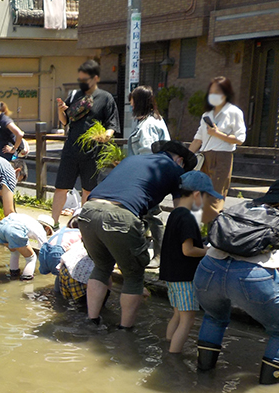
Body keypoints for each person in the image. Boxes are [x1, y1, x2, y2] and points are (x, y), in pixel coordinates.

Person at [77, 140, 197, 329]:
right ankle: (125, 331)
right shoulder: (175, 170)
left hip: (87, 211)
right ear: (180, 160)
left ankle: (92, 321)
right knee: (133, 276)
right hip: (121, 215)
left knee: (101, 267)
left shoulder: (132, 159)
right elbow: (181, 211)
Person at [194, 179, 279, 384]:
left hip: (208, 270)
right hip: (253, 279)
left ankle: (202, 377)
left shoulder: (241, 210)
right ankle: (266, 392)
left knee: (214, 318)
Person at [53, 60, 121, 227]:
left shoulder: (106, 98)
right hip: (71, 148)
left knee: (88, 190)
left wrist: (106, 135)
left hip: (93, 151)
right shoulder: (75, 95)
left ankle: (83, 225)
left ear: (95, 78)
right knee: (61, 187)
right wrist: (61, 111)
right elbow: (65, 121)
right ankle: (53, 223)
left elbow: (112, 124)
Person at [160, 171, 221, 354]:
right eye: (206, 197)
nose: (206, 202)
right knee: (188, 320)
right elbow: (188, 250)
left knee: (177, 316)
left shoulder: (175, 213)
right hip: (185, 277)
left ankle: (168, 346)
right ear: (196, 195)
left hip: (171, 275)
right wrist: (208, 251)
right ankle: (173, 356)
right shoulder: (187, 217)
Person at [188, 76, 247, 224]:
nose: (213, 95)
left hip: (222, 157)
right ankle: (201, 233)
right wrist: (185, 157)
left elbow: (240, 139)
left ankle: (212, 234)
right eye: (211, 91)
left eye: (217, 91)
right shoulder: (206, 115)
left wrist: (218, 134)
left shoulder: (234, 112)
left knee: (214, 198)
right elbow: (198, 139)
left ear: (226, 93)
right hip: (204, 158)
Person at [128, 85, 172, 267]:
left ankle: (159, 255)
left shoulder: (148, 125)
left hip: (147, 175)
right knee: (143, 214)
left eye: (132, 101)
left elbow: (147, 154)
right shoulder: (152, 120)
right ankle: (143, 253)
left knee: (152, 214)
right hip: (152, 174)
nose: (130, 104)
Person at [0, 213, 48, 280]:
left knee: (15, 252)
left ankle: (14, 274)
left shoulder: (29, 221)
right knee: (31, 258)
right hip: (15, 230)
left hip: (1, 227)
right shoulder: (40, 229)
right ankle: (26, 279)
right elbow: (45, 249)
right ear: (47, 228)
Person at [128, 86, 170, 156]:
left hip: (145, 165)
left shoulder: (148, 125)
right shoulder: (156, 119)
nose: (132, 108)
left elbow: (148, 154)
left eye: (133, 106)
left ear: (139, 104)